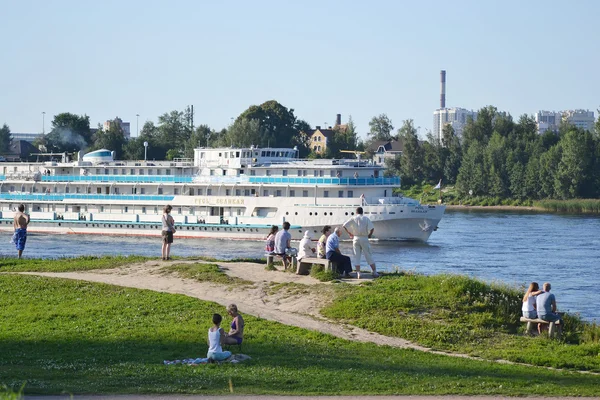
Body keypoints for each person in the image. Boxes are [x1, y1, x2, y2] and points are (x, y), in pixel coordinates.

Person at [343, 207, 378, 279]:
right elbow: (372, 228)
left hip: (355, 238)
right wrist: (369, 235)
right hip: (364, 238)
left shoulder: (353, 218)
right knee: (368, 254)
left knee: (357, 256)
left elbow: (344, 225)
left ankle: (358, 273)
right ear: (362, 212)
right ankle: (374, 271)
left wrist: (349, 233)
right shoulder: (366, 218)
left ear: (356, 212)